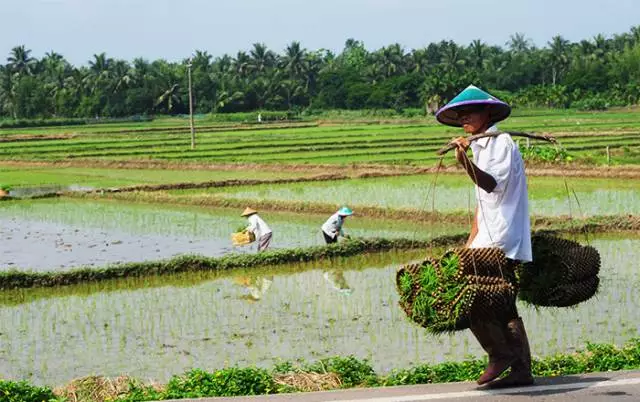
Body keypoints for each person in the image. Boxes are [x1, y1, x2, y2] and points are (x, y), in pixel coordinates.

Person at [435, 85, 533, 389]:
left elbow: (491, 185)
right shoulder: (481, 146)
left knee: (472, 297)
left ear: (487, 113)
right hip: (488, 235)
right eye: (460, 114)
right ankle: (521, 370)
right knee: (504, 305)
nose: (464, 118)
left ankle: (499, 354)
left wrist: (463, 162)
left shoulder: (501, 143)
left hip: (502, 237)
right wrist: (470, 241)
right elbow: (483, 205)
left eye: (470, 112)